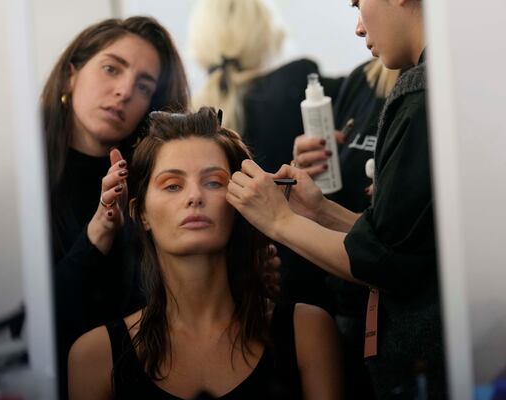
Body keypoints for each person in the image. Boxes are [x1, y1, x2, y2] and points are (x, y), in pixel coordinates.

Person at [227, 0, 446, 398]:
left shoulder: (423, 96)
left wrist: (280, 220)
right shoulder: (427, 88)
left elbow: (384, 261)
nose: (359, 28)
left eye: (359, 4)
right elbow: (396, 242)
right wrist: (320, 211)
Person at [67, 107, 343, 400]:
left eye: (213, 182)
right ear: (141, 214)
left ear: (242, 202)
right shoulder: (95, 359)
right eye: (172, 185)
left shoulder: (307, 333)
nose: (194, 197)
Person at [40, 16, 190, 399]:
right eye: (111, 68)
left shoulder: (152, 185)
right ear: (72, 74)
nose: (124, 91)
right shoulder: (23, 181)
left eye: (143, 86)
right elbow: (39, 325)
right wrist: (99, 234)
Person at [188, 0, 344, 313]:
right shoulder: (296, 81)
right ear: (267, 35)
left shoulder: (196, 114)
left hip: (242, 299)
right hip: (316, 289)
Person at [292, 57, 400, 398]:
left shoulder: (429, 92)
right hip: (348, 303)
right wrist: (307, 167)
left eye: (357, 5)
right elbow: (332, 190)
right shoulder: (362, 80)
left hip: (405, 313)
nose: (358, 28)